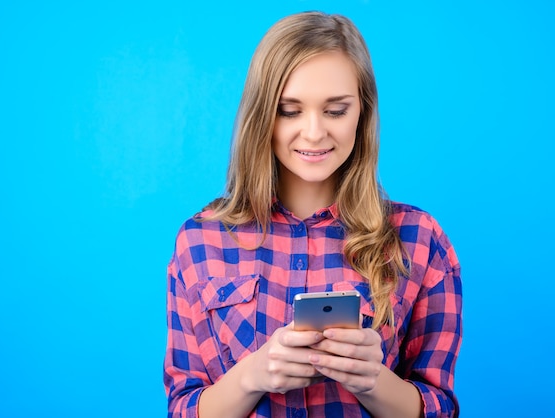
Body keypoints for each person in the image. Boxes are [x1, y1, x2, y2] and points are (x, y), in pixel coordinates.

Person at [164, 11, 462, 418]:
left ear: (363, 113)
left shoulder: (419, 239)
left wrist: (374, 380)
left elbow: (440, 407)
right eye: (290, 110)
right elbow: (183, 407)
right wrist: (252, 375)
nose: (314, 132)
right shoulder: (200, 241)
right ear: (262, 116)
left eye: (336, 110)